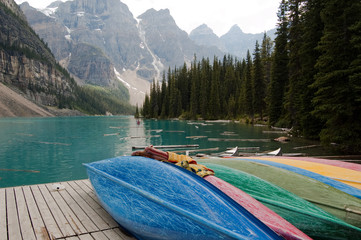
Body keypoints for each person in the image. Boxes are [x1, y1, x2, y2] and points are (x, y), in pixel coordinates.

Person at [132, 145, 214, 177]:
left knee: (187, 165)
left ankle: (164, 156)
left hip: (198, 175)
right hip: (199, 174)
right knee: (188, 164)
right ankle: (164, 156)